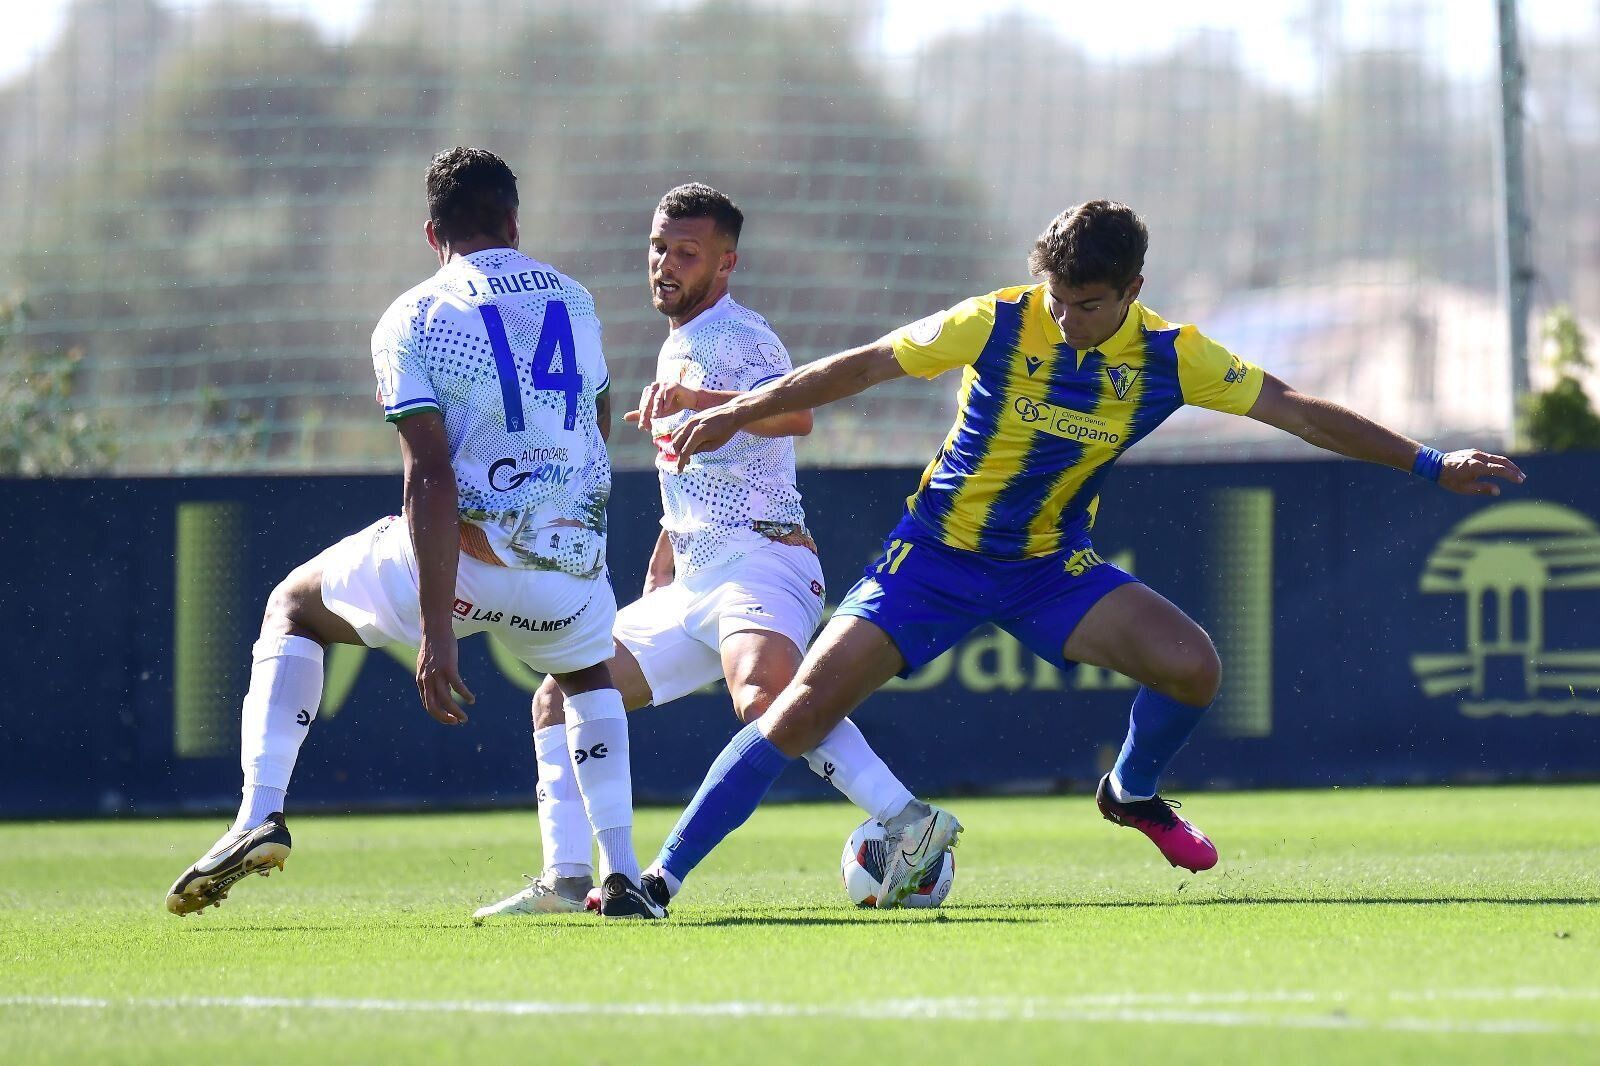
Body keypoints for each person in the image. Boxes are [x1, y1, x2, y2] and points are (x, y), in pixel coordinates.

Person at [643, 199, 1526, 910]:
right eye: (1057, 299)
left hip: (1046, 569)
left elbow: (1296, 410)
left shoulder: (1175, 357)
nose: (1065, 320)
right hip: (936, 558)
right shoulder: (996, 320)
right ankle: (660, 880)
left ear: (1133, 288)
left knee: (1193, 668)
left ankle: (1131, 790)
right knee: (794, 713)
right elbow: (866, 366)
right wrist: (741, 408)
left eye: (1089, 306)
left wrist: (1428, 461)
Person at [165, 147, 663, 920]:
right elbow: (597, 426)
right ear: (513, 221)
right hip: (571, 561)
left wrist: (436, 633)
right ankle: (622, 874)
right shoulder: (576, 298)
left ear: (433, 233)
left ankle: (256, 814)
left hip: (467, 563)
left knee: (294, 606)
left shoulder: (416, 315)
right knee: (586, 674)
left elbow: (428, 474)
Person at [474, 183, 916, 917]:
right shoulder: (679, 341)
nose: (666, 265)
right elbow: (698, 467)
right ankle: (565, 877)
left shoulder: (740, 334)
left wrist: (700, 403)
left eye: (687, 253)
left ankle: (907, 821)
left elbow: (797, 413)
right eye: (658, 248)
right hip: (694, 578)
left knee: (765, 696)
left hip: (764, 561)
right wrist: (664, 555)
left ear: (726, 263)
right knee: (560, 694)